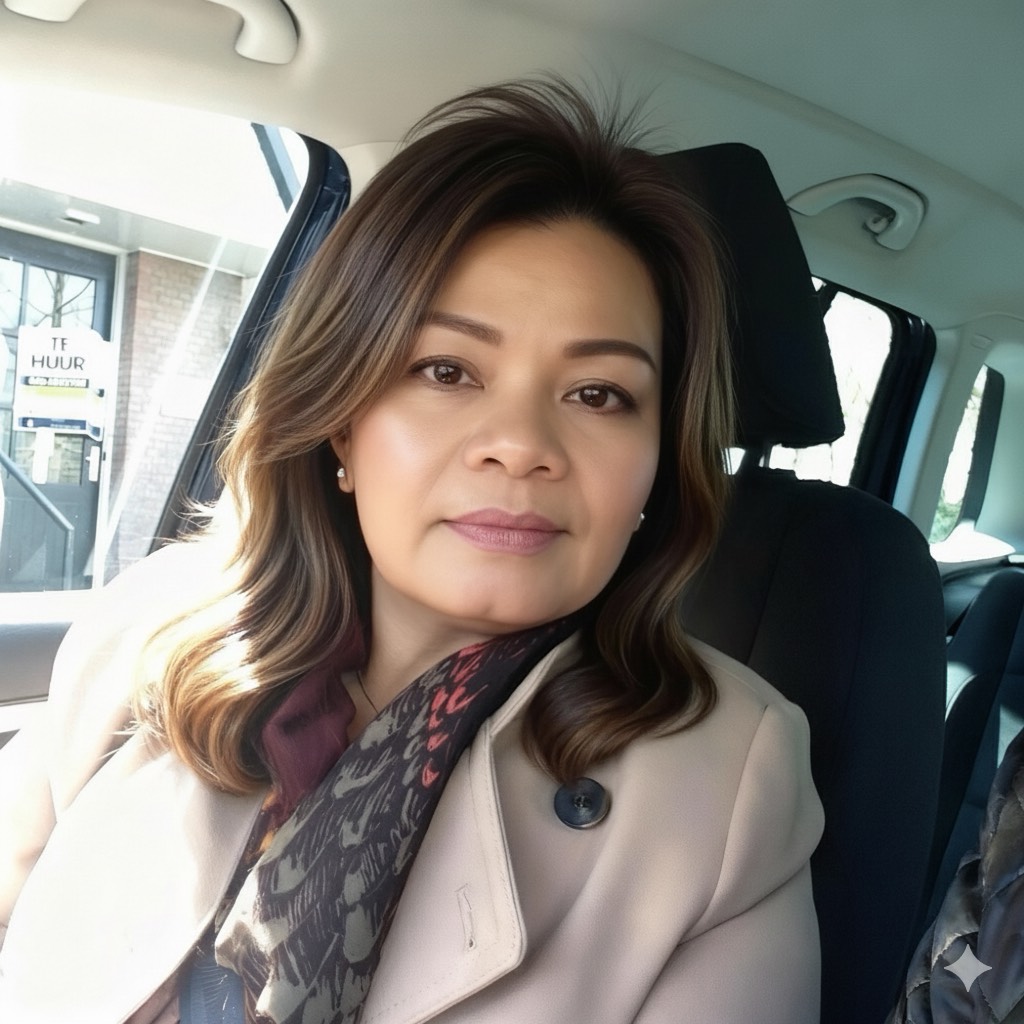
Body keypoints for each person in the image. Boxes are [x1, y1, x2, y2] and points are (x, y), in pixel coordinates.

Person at [0, 79, 823, 1024]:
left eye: (598, 394)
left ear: (656, 464)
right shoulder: (144, 637)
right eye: (446, 370)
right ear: (341, 423)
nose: (520, 445)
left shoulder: (729, 784)